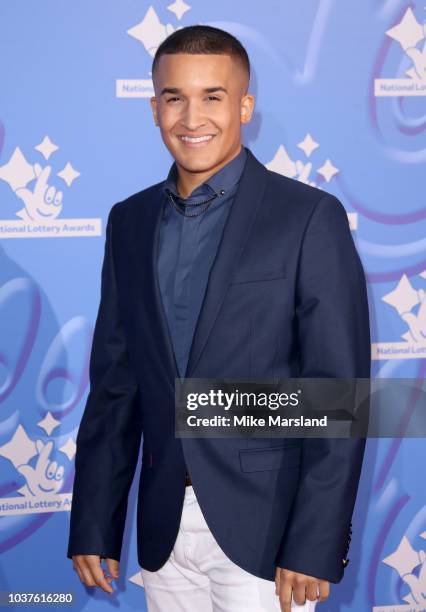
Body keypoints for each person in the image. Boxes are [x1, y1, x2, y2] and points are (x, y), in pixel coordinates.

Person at [67, 25, 371, 612]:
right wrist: (95, 524)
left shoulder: (307, 216)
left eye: (213, 96)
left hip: (268, 532)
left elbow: (338, 395)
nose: (191, 117)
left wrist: (314, 541)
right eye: (174, 97)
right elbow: (115, 386)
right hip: (162, 532)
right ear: (155, 107)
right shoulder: (128, 222)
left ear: (245, 106)